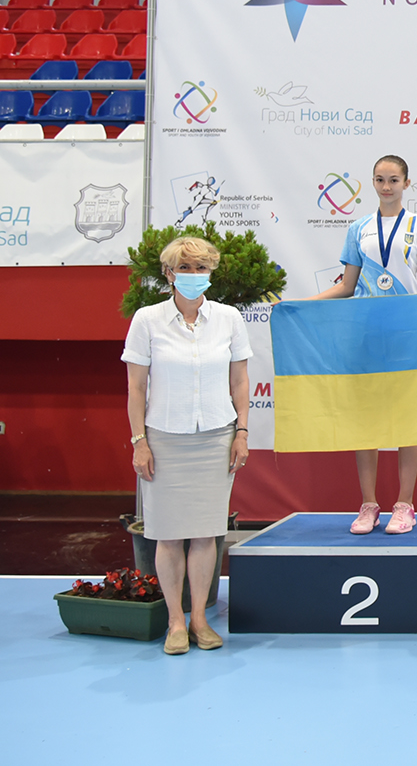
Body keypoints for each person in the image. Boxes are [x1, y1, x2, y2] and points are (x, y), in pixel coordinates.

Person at [123, 236, 251, 655]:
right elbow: (136, 388)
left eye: (201, 268)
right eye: (185, 267)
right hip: (163, 438)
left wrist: (242, 432)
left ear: (210, 273)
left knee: (204, 535)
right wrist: (140, 442)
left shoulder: (229, 318)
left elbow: (239, 381)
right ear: (169, 274)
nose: (194, 275)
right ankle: (175, 622)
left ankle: (199, 619)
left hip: (216, 436)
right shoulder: (147, 320)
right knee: (168, 535)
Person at [310, 154, 417, 534]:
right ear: (372, 183)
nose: (386, 187)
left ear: (406, 183)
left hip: (408, 334)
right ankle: (368, 505)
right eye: (379, 180)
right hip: (366, 334)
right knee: (366, 422)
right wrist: (302, 304)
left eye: (393, 180)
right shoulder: (358, 228)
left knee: (408, 421)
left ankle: (404, 505)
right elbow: (347, 286)